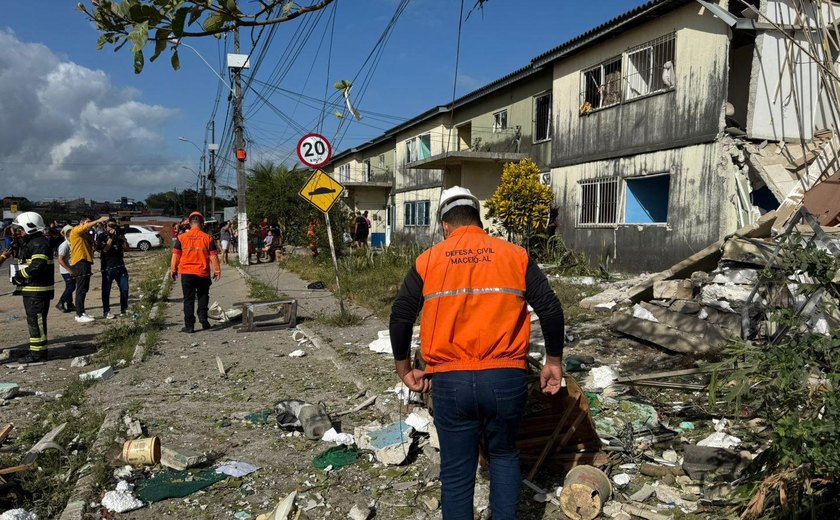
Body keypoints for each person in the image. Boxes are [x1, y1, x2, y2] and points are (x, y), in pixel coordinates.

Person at [389, 186, 566, 518]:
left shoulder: (428, 260)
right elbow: (551, 310)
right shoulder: (514, 255)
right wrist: (553, 361)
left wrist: (404, 368)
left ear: (444, 224)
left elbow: (401, 315)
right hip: (505, 379)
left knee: (457, 472)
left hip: (450, 382)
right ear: (478, 218)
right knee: (503, 455)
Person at [0, 212, 55, 363]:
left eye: (20, 229)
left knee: (36, 321)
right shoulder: (32, 243)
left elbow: (38, 266)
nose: (17, 232)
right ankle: (36, 349)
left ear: (29, 228)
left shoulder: (38, 243)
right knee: (34, 321)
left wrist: (19, 275)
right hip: (32, 289)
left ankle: (38, 354)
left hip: (37, 290)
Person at [170, 212, 221, 333]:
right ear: (202, 223)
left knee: (188, 299)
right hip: (203, 273)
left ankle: (189, 326)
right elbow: (213, 256)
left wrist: (173, 269)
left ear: (189, 223)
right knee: (203, 296)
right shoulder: (208, 238)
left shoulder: (181, 238)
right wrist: (217, 270)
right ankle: (203, 319)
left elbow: (175, 255)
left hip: (187, 274)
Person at [69, 215, 109, 323]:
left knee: (84, 288)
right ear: (82, 222)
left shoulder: (86, 235)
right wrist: (98, 220)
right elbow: (84, 226)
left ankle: (82, 311)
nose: (90, 225)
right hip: (80, 262)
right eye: (88, 222)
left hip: (86, 262)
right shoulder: (76, 231)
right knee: (81, 288)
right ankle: (79, 313)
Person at [96, 218, 129, 319]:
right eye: (110, 225)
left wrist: (122, 237)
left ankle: (124, 309)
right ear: (106, 227)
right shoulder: (102, 236)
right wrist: (111, 236)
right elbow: (105, 249)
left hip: (120, 266)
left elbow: (127, 248)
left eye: (114, 225)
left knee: (125, 288)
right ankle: (106, 311)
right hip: (108, 267)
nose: (112, 227)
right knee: (106, 290)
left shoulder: (119, 236)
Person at [55, 225, 76, 313]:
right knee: (71, 287)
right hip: (66, 270)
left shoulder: (72, 243)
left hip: (72, 268)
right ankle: (60, 302)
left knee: (70, 287)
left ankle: (70, 304)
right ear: (67, 236)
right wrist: (69, 270)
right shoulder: (64, 246)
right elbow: (60, 259)